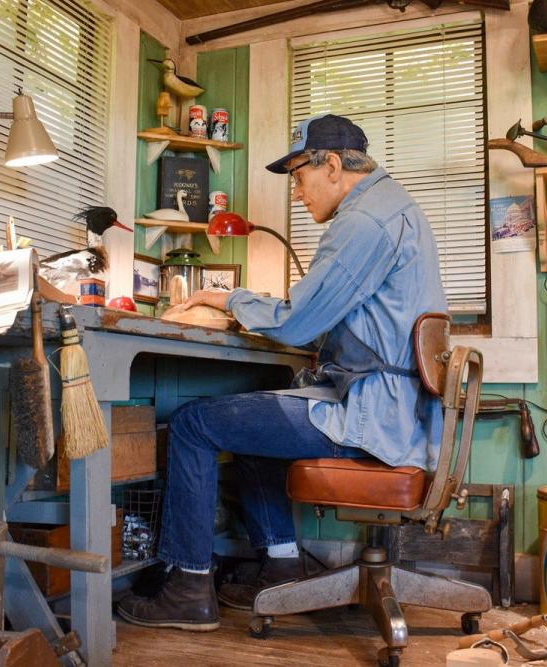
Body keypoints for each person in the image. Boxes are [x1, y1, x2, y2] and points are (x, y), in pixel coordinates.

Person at [116, 113, 447, 631]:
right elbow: (330, 321)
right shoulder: (396, 210)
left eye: (298, 176)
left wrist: (231, 299)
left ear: (332, 166)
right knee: (251, 422)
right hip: (396, 415)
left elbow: (298, 324)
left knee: (195, 423)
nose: (296, 192)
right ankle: (283, 564)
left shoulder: (362, 223)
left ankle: (187, 586)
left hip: (371, 420)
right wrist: (260, 308)